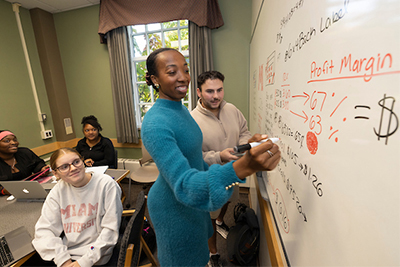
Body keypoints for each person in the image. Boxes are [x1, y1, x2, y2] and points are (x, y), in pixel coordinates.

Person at [141, 48, 281, 266]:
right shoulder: (155, 122)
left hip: (195, 205)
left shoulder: (180, 110)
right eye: (171, 72)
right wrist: (242, 167)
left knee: (200, 256)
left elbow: (195, 160)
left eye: (185, 70)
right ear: (154, 79)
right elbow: (184, 183)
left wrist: (243, 152)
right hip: (174, 209)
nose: (182, 77)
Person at [191, 70, 253, 267]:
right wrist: (219, 156)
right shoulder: (191, 120)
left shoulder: (232, 109)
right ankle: (213, 253)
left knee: (227, 201)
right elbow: (193, 157)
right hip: (209, 178)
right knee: (208, 216)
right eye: (209, 91)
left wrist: (241, 147)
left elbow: (244, 131)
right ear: (199, 92)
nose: (216, 96)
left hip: (231, 172)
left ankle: (220, 221)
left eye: (219, 90)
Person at [32, 147, 123, 267]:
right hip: (68, 255)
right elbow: (44, 230)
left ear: (83, 161)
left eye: (76, 162)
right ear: (55, 173)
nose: (73, 168)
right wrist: (64, 261)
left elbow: (110, 231)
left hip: (97, 256)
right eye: (64, 167)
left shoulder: (106, 185)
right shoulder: (58, 191)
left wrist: (83, 263)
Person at [0, 130, 49, 196]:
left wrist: (42, 169)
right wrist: (4, 191)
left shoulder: (25, 153)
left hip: (30, 191)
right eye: (7, 141)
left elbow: (38, 164)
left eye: (15, 140)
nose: (13, 143)